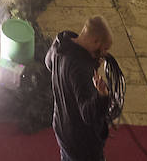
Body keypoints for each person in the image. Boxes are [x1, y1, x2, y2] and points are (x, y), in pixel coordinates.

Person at [46, 17, 113, 161]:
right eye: (104, 48)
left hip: (62, 127)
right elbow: (88, 114)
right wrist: (102, 96)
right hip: (81, 144)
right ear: (95, 41)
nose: (105, 53)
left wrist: (92, 64)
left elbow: (48, 63)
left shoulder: (61, 44)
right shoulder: (81, 69)